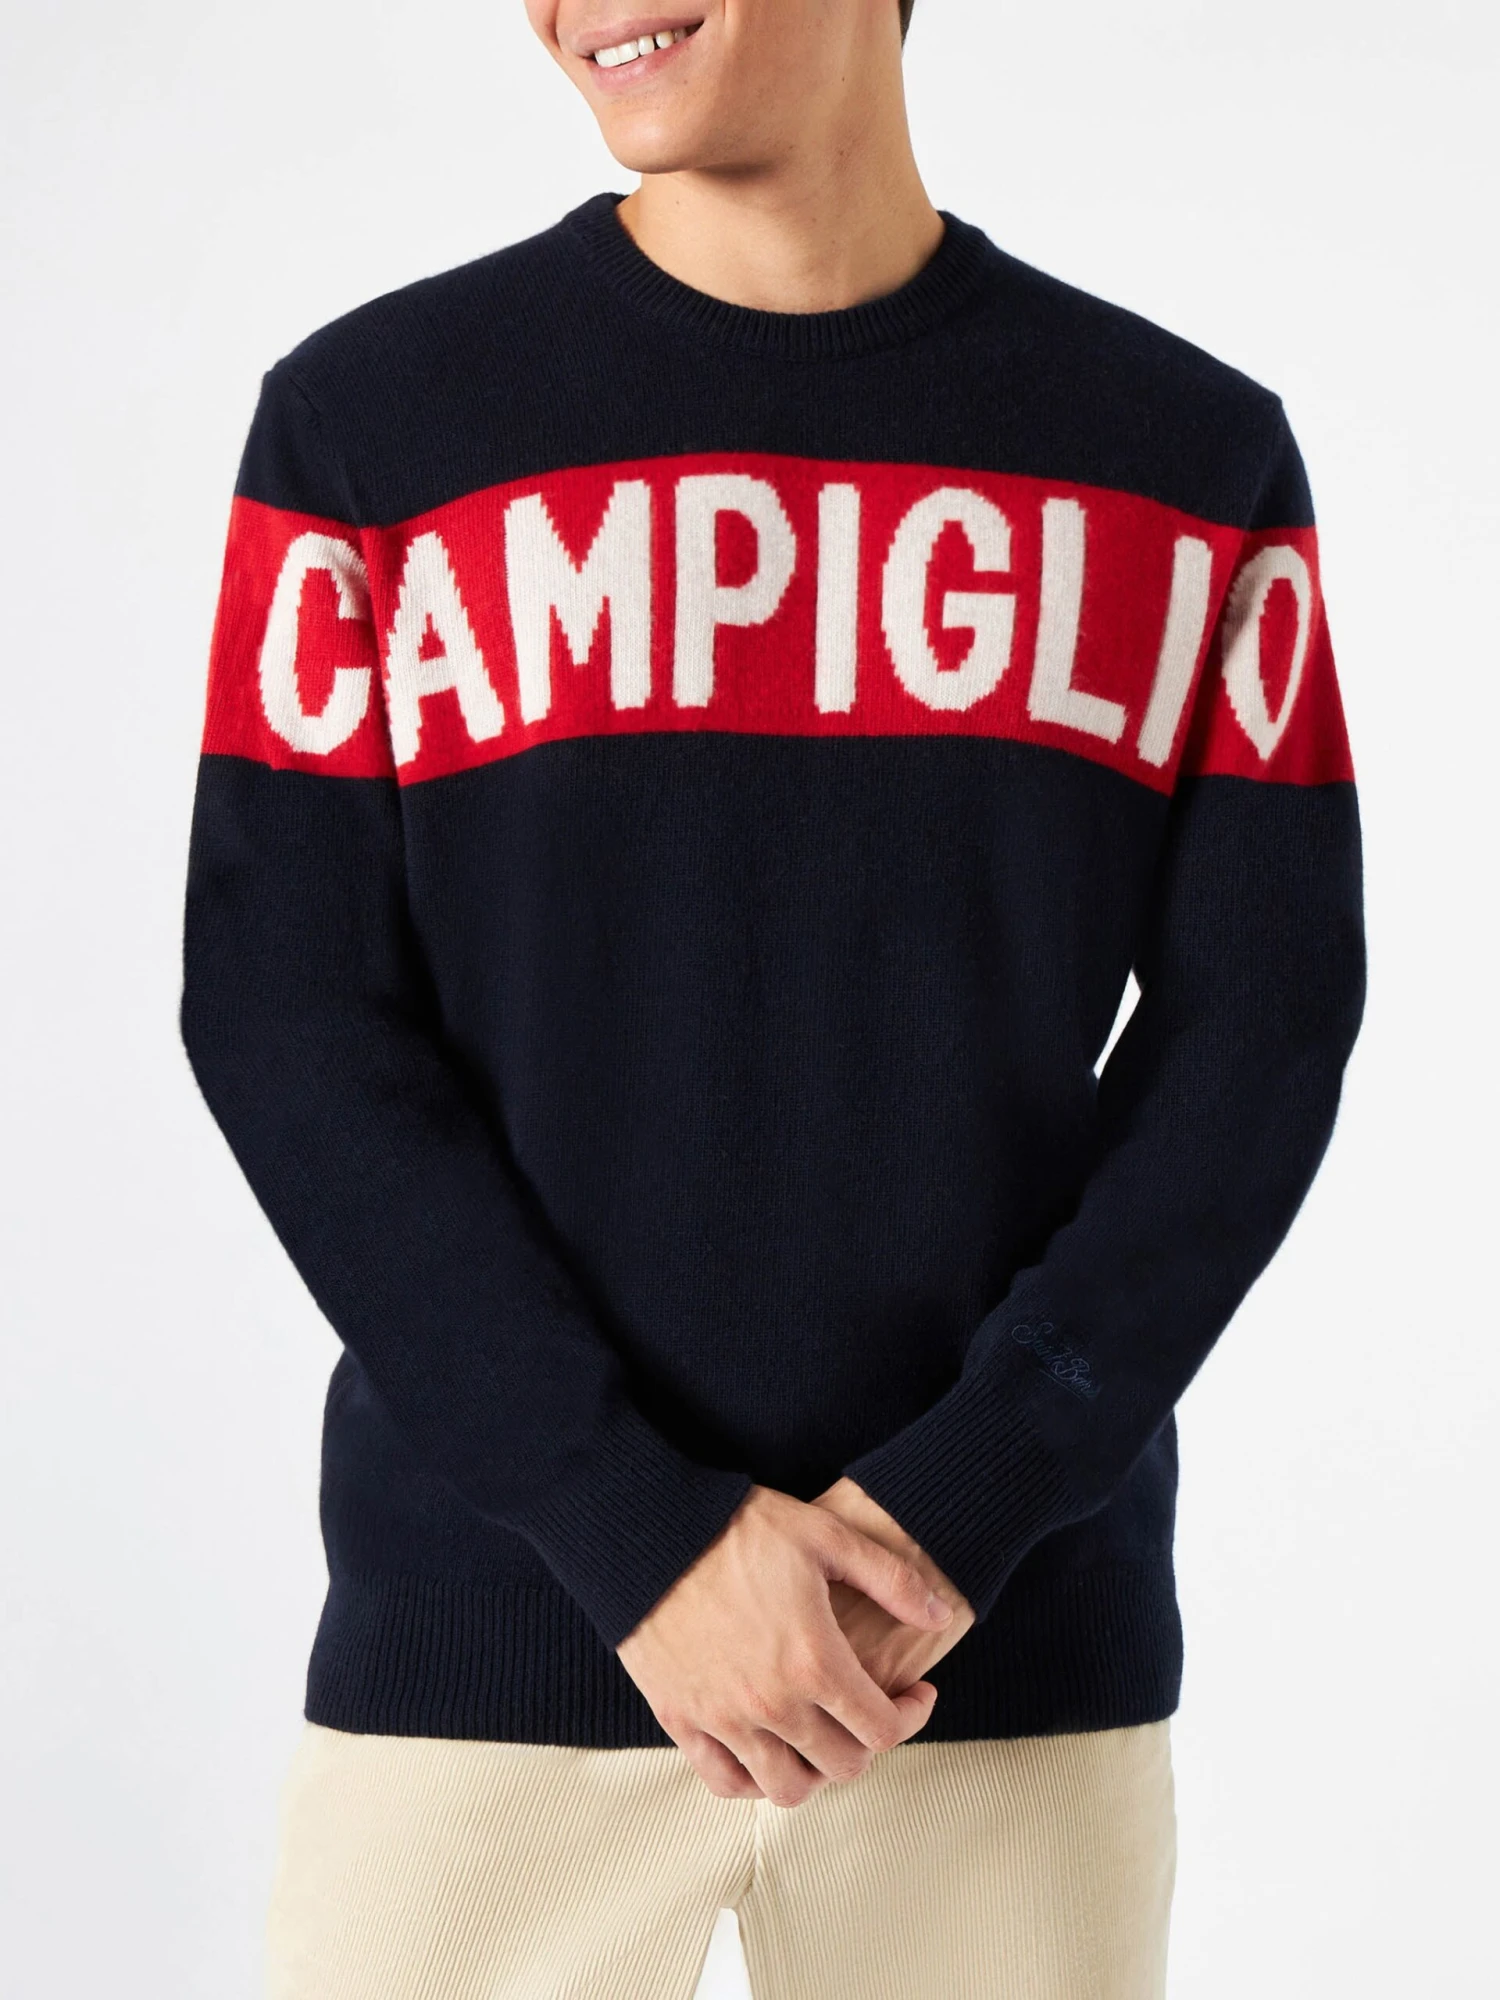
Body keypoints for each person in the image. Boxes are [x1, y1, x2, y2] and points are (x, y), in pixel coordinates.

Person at [181, 0, 1366, 1993]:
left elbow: (1261, 1032)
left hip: (987, 1674)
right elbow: (284, 1013)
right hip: (495, 1652)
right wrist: (633, 1531)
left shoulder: (1186, 457)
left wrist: (959, 1511)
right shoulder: (375, 425)